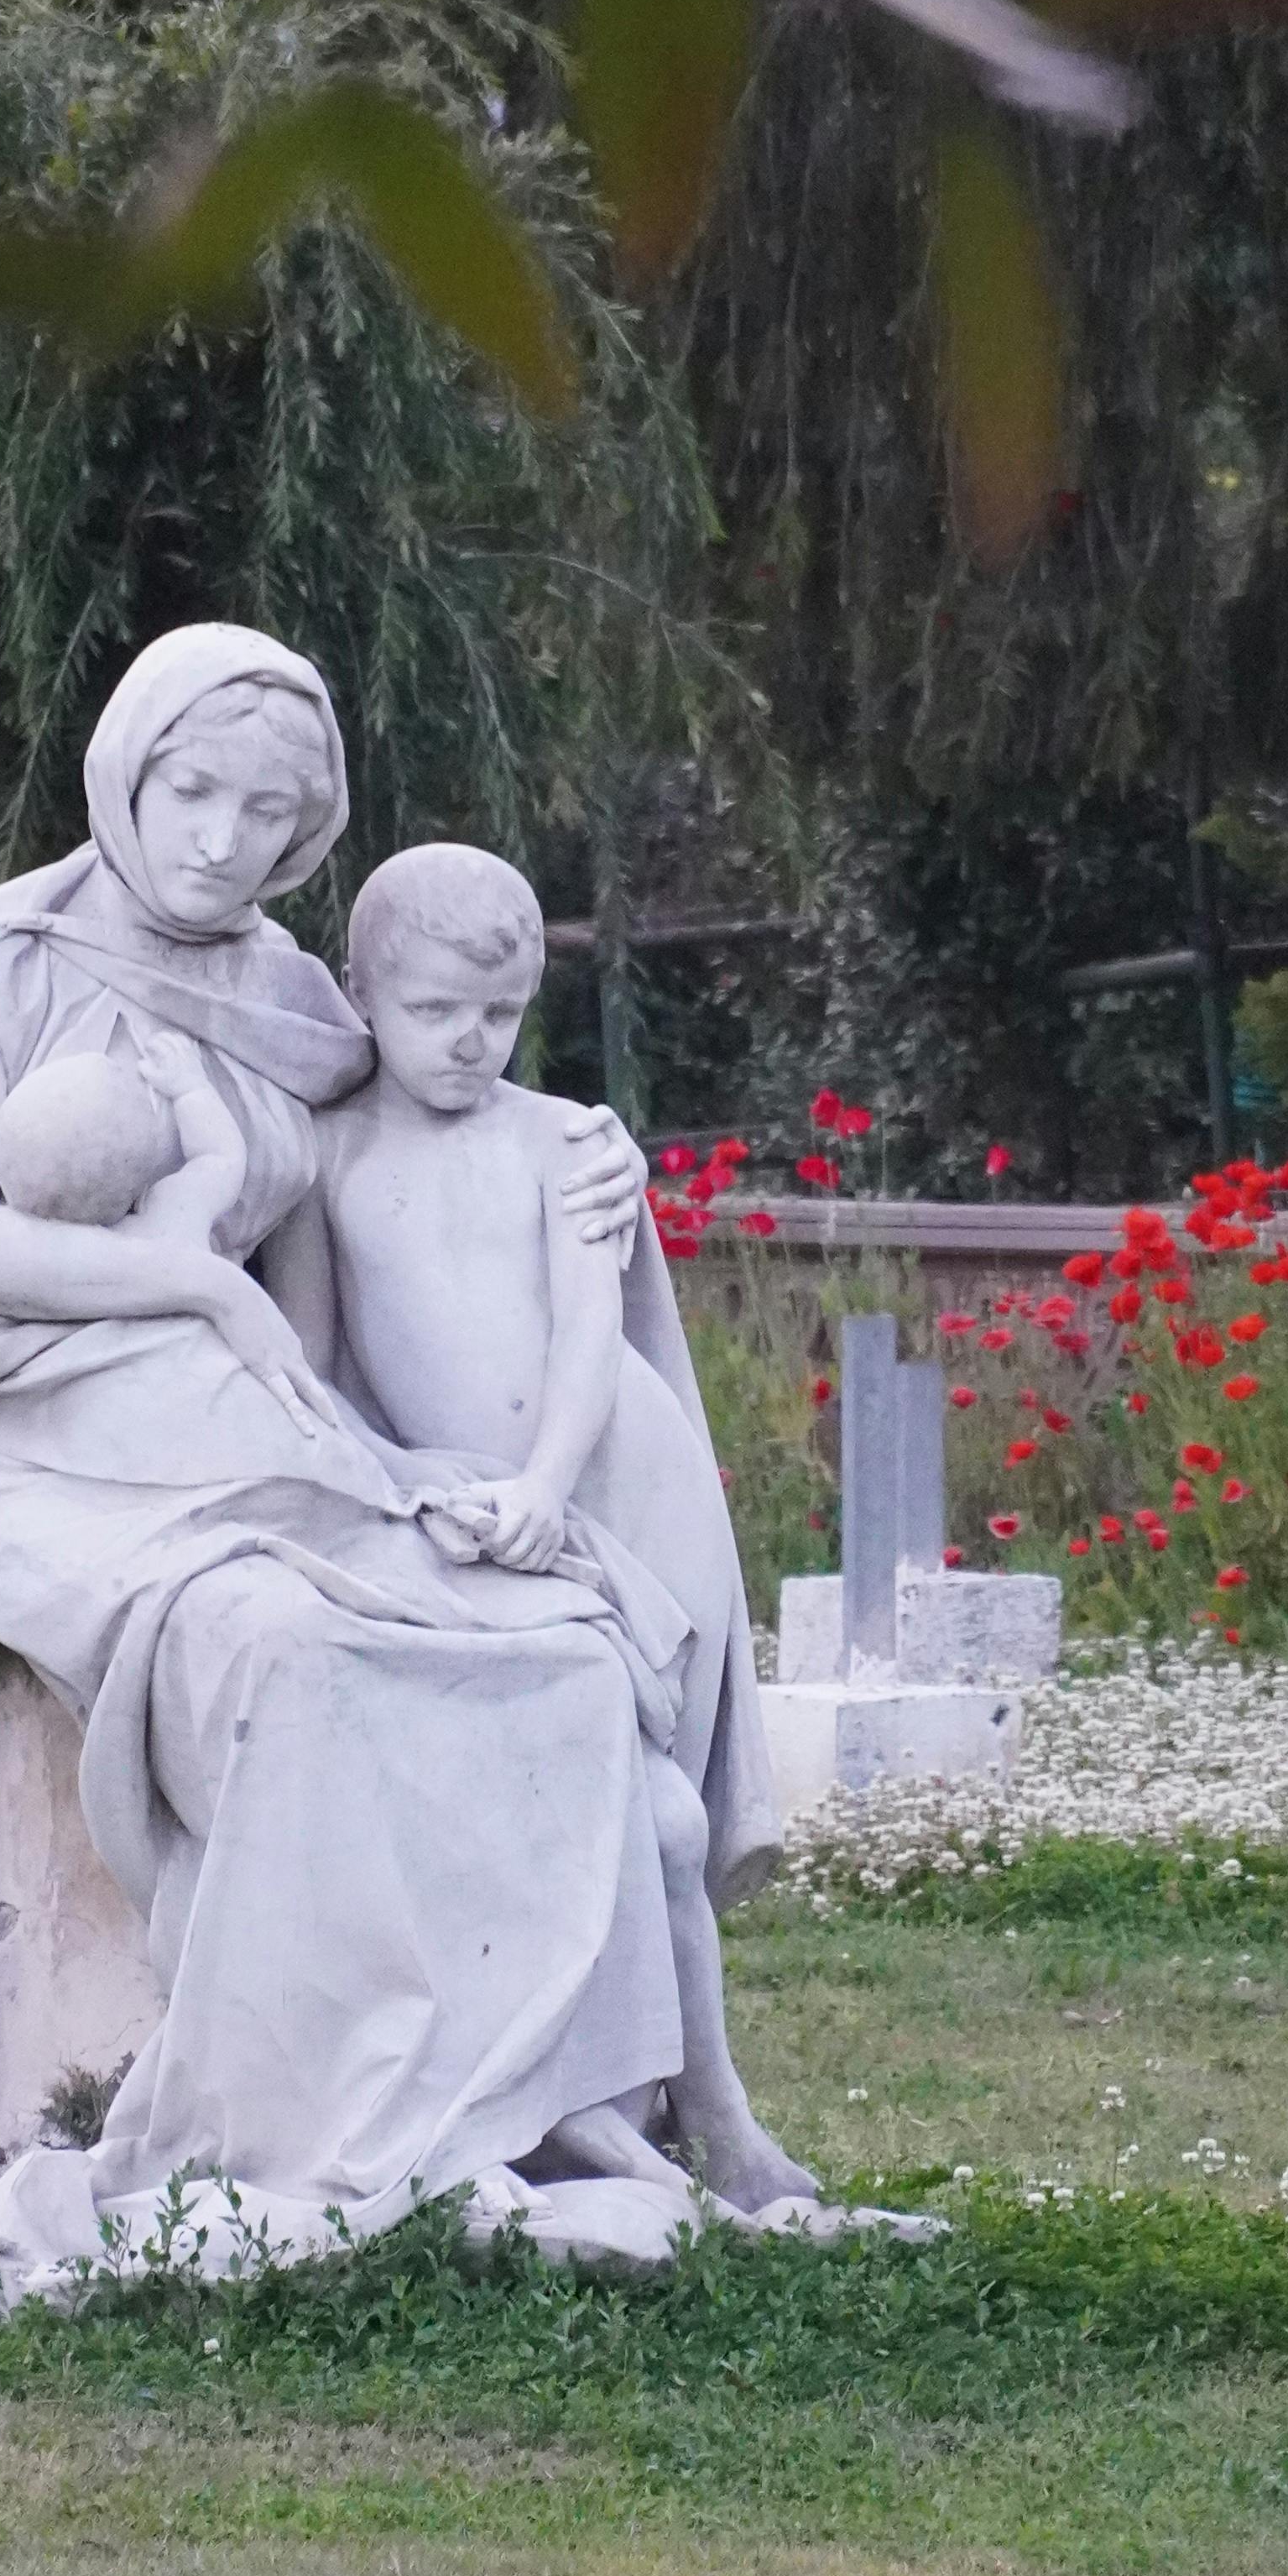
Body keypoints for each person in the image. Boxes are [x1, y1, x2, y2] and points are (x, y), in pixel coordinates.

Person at [0, 623, 795, 2297]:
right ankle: (312, 2103)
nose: (218, 843)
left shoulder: (293, 1005)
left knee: (517, 1639)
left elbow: (427, 1124)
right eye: (190, 793)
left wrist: (579, 1154)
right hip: (10, 1424)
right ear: (126, 770)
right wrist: (182, 1279)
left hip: (247, 1414)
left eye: (267, 817)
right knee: (290, 1637)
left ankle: (533, 2098)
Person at [273, 840, 805, 2212]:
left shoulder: (565, 1143)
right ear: (363, 995)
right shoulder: (325, 1160)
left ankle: (705, 2110)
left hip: (615, 1490)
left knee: (659, 1812)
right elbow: (321, 1370)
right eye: (435, 1011)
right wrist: (396, 1499)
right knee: (615, 1817)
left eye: (498, 1014)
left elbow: (585, 1340)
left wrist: (545, 1492)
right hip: (457, 1514)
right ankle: (580, 2105)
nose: (469, 1042)